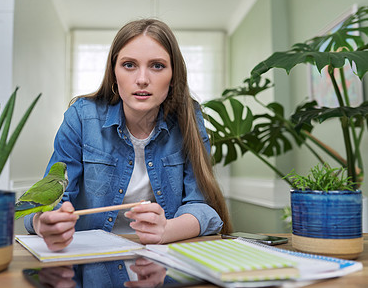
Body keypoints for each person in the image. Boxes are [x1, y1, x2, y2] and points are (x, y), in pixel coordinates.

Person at [24, 18, 232, 251]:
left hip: (162, 259)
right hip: (90, 261)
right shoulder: (81, 117)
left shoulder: (189, 120)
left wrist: (166, 230)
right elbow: (48, 204)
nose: (142, 79)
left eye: (157, 66)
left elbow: (200, 206)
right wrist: (45, 225)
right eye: (129, 65)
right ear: (113, 73)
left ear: (173, 76)